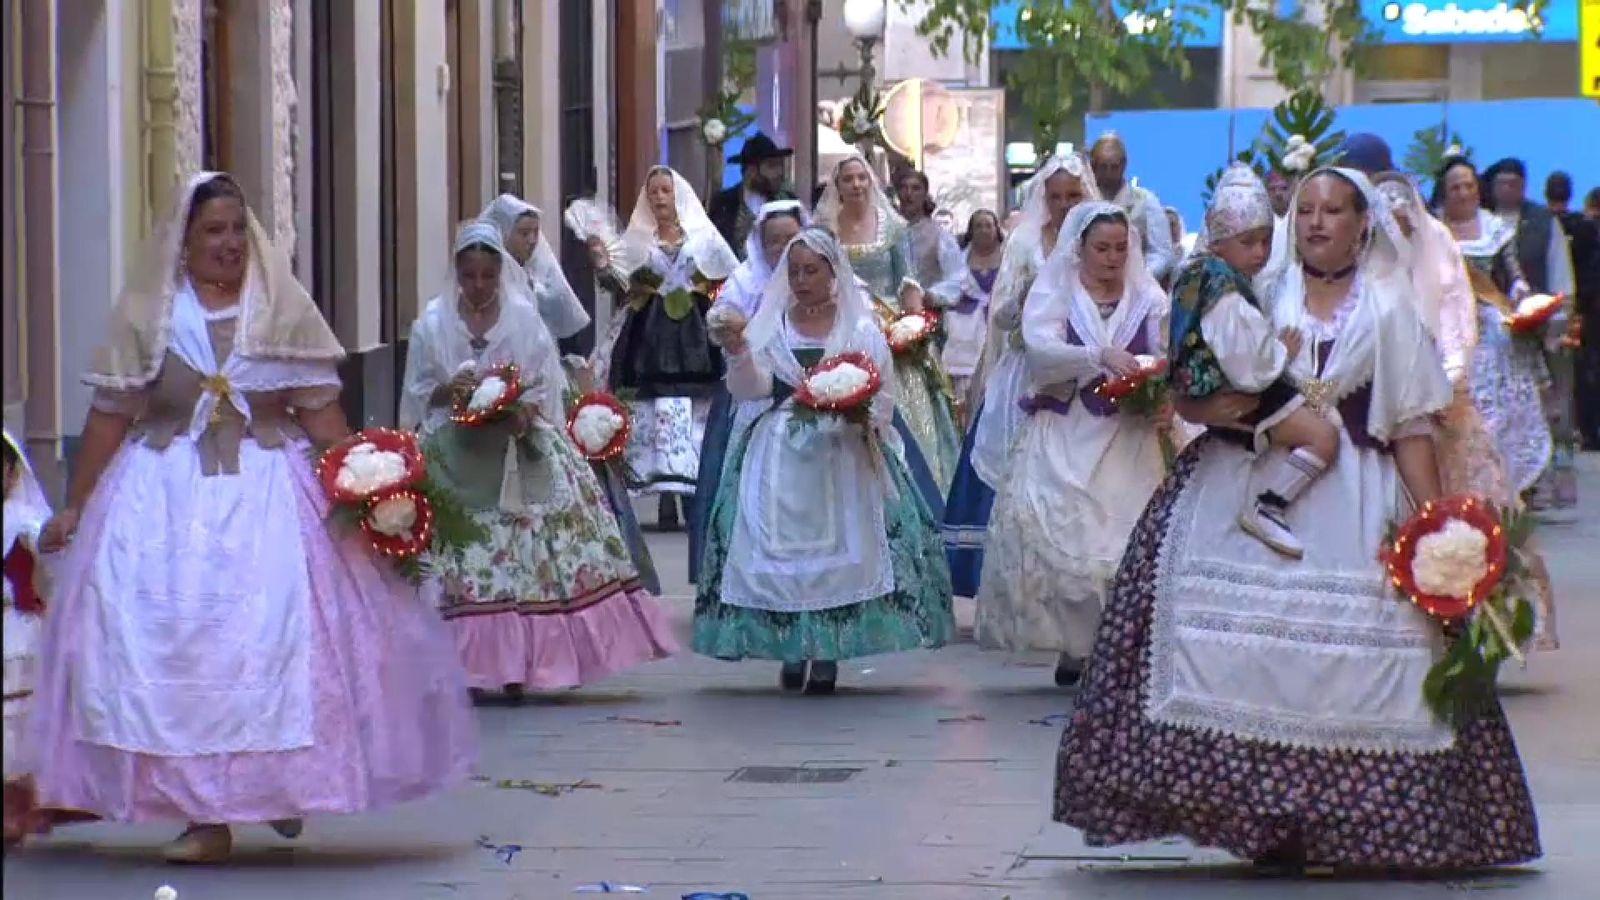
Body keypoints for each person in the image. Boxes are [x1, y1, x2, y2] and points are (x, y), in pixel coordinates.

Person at [1054, 167, 1540, 872]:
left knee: (1367, 658)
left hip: (1358, 494)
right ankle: (1267, 819)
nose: (1315, 223)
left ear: (1360, 224)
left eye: (1332, 211)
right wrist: (1198, 408)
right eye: (1305, 210)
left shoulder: (1388, 307)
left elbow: (1409, 429)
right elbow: (1199, 381)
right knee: (1231, 649)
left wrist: (1438, 528)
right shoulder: (1256, 291)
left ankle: (1349, 821)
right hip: (1245, 471)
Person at [27, 172, 477, 864]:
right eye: (213, 230)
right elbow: (110, 416)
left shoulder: (280, 312)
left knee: (278, 639)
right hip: (162, 500)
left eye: (238, 228)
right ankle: (207, 816)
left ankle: (274, 788)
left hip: (270, 497)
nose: (229, 243)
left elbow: (324, 420)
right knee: (174, 641)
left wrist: (371, 489)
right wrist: (78, 505)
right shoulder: (152, 314)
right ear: (184, 242)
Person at [400, 221, 677, 697]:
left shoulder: (524, 321)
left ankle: (525, 660)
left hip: (516, 448)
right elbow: (419, 391)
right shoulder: (432, 323)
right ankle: (467, 665)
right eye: (470, 277)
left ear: (500, 273)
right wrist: (454, 391)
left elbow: (545, 384)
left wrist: (521, 411)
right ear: (458, 275)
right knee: (462, 556)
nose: (480, 286)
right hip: (453, 449)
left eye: (488, 276)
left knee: (526, 556)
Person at [692, 228, 956, 693]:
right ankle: (791, 647)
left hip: (842, 451)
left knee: (847, 549)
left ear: (834, 271)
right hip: (778, 448)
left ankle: (829, 649)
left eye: (811, 270)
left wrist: (861, 419)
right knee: (771, 547)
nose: (801, 280)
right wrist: (737, 352)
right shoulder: (771, 327)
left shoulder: (858, 329)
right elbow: (748, 390)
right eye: (793, 271)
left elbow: (883, 395)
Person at [976, 202, 1170, 687]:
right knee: (1067, 535)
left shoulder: (1146, 294)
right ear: (1079, 248)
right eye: (1102, 248)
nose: (1112, 258)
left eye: (1121, 248)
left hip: (1130, 434)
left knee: (1124, 536)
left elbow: (1167, 350)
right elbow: (1040, 351)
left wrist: (1154, 381)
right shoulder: (1056, 288)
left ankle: (1116, 646)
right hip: (1068, 426)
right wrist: (1096, 354)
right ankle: (1075, 644)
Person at [941, 154, 1099, 599]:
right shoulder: (1027, 242)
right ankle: (1015, 581)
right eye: (1057, 197)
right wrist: (1030, 297)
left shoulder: (1104, 238)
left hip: (1083, 373)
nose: (1066, 206)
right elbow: (1004, 317)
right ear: (1043, 199)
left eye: (1074, 196)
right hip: (1026, 373)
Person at [1169, 164, 1340, 560]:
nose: (1261, 253)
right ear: (1219, 242)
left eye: (1265, 242)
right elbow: (1251, 362)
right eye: (1249, 243)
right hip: (1243, 393)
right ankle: (1269, 504)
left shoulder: (1203, 277)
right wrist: (1282, 352)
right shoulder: (1224, 287)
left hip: (1231, 394)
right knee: (1325, 434)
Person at [1434, 158, 1561, 649]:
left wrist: (1525, 298)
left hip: (1494, 345)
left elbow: (1512, 277)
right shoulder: (1437, 236)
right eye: (1456, 186)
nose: (1464, 192)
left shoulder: (1494, 231)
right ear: (1444, 193)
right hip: (1456, 351)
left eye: (1469, 185)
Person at [591, 166, 739, 529]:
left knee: (694, 411)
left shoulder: (702, 237)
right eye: (653, 191)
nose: (659, 198)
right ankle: (663, 496)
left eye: (665, 191)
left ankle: (691, 490)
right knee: (653, 409)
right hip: (648, 335)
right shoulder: (637, 240)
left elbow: (729, 275)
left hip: (695, 335)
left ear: (678, 196)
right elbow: (616, 282)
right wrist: (602, 264)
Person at [814, 154, 963, 491]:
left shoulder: (894, 227)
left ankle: (919, 487)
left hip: (889, 327)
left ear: (871, 182)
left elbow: (908, 282)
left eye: (861, 178)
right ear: (837, 186)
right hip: (843, 325)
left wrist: (913, 328)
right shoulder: (826, 230)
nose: (856, 185)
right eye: (848, 179)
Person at [688, 199, 807, 587]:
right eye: (774, 241)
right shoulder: (746, 278)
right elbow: (719, 316)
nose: (784, 248)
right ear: (761, 243)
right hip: (753, 388)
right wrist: (735, 328)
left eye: (792, 238)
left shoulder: (820, 276)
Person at [1482, 157, 1579, 511]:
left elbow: (1559, 270)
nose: (1509, 189)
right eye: (1502, 183)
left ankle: (1556, 472)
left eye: (1515, 183)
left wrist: (1560, 315)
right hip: (1496, 331)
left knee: (1554, 400)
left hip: (1541, 322)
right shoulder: (1484, 222)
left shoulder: (1541, 221)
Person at [480, 193, 592, 342]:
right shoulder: (487, 276)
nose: (532, 240)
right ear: (503, 233)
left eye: (536, 232)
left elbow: (557, 307)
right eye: (524, 233)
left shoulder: (534, 272)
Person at [1088, 132, 1177, 282]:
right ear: (1093, 166)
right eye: (1103, 167)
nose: (1109, 173)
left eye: (1114, 167)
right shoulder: (1084, 201)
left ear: (1124, 164)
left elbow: (1162, 253)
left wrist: (1138, 279)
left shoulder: (1146, 201)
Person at [945, 209, 1004, 409]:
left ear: (997, 229)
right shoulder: (958, 260)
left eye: (988, 225)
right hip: (966, 329)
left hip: (999, 327)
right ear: (970, 231)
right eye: (978, 226)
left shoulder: (1010, 257)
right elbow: (948, 288)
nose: (984, 230)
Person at [706, 133, 797, 259]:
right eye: (772, 166)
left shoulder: (788, 203)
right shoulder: (723, 204)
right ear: (751, 171)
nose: (779, 173)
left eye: (780, 166)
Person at [894, 169, 966, 312]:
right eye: (904, 187)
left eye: (916, 188)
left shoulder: (939, 235)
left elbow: (957, 278)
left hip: (928, 316)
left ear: (925, 194)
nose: (909, 194)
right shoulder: (889, 231)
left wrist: (929, 295)